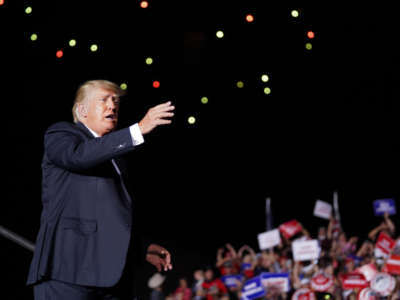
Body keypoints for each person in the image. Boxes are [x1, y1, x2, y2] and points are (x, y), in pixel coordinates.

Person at [26, 80, 175, 300]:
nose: (112, 106)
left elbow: (108, 213)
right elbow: (77, 157)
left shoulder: (116, 156)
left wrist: (140, 248)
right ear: (82, 110)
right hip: (68, 272)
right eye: (103, 100)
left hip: (111, 278)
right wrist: (138, 129)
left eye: (115, 101)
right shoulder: (62, 134)